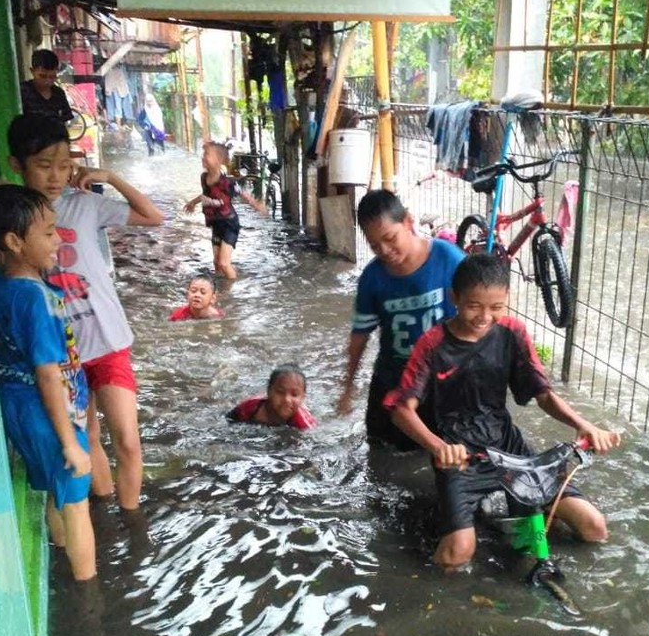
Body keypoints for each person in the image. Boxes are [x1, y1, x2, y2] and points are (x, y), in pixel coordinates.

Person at [384, 253, 621, 571]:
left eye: (496, 307)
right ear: (454, 298)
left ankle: (526, 530)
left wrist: (583, 425)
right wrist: (439, 447)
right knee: (458, 553)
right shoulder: (433, 344)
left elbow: (543, 394)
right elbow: (402, 410)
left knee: (594, 527)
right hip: (460, 456)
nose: (484, 317)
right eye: (473, 306)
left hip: (509, 447)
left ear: (507, 300)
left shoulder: (513, 333)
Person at [7, 113, 165, 533]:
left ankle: (131, 525)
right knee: (88, 438)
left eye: (64, 165)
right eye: (43, 165)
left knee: (128, 441)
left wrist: (109, 176)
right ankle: (105, 514)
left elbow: (153, 217)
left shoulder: (85, 205)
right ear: (16, 165)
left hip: (108, 341)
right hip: (61, 352)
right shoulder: (12, 220)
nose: (56, 176)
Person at [0, 185, 95, 581]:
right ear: (15, 241)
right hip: (49, 413)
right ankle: (89, 596)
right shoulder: (36, 298)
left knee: (58, 491)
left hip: (19, 405)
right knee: (77, 505)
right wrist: (69, 441)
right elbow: (48, 373)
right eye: (48, 233)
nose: (58, 239)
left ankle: (62, 554)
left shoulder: (2, 283)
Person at [337, 189, 466, 449]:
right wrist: (348, 387)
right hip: (392, 381)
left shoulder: (449, 259)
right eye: (374, 245)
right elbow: (360, 336)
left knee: (444, 454)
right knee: (381, 455)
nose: (385, 250)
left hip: (441, 383)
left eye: (390, 238)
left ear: (408, 221)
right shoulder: (372, 279)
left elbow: (480, 316)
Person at [183, 140, 267, 279]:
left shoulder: (226, 183)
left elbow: (242, 193)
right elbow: (206, 194)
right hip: (216, 225)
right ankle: (219, 289)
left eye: (207, 154)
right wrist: (193, 202)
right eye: (203, 154)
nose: (203, 157)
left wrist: (257, 206)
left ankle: (230, 293)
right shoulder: (204, 178)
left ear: (218, 160)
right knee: (216, 263)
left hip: (230, 224)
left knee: (224, 263)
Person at [227, 363, 317, 430]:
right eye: (280, 392)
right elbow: (227, 421)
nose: (287, 400)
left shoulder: (303, 423)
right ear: (269, 391)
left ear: (303, 397)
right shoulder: (250, 407)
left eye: (294, 394)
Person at [20, 49, 74, 125]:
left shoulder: (59, 93)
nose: (47, 81)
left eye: (52, 77)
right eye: (42, 76)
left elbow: (64, 121)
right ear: (32, 71)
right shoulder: (22, 92)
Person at [137, 91, 166, 156]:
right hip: (149, 130)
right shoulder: (145, 110)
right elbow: (140, 120)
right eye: (148, 101)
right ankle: (151, 160)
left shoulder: (157, 109)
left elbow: (160, 121)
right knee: (151, 147)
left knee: (161, 147)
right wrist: (145, 125)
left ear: (153, 101)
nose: (149, 103)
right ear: (146, 102)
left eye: (151, 101)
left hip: (158, 130)